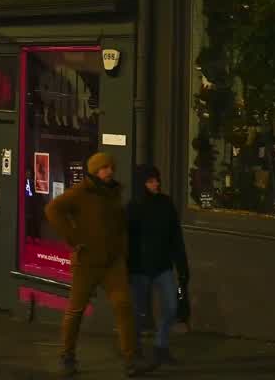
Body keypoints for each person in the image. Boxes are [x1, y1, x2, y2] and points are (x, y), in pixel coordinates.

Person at [45, 153, 155, 378]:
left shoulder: (114, 192)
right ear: (94, 171)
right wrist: (74, 238)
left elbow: (119, 225)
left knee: (124, 306)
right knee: (75, 310)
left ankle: (131, 359)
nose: (109, 171)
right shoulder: (80, 192)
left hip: (112, 261)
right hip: (87, 262)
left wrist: (122, 251)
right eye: (104, 168)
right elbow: (52, 210)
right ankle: (67, 356)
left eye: (110, 167)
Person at [128, 165, 189, 366]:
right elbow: (128, 239)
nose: (156, 184)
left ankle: (161, 345)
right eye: (151, 181)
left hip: (163, 265)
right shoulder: (134, 206)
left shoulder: (165, 203)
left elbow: (175, 236)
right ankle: (134, 350)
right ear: (142, 184)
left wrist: (181, 265)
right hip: (140, 268)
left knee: (171, 306)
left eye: (156, 180)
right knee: (138, 312)